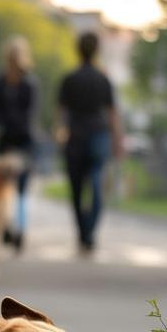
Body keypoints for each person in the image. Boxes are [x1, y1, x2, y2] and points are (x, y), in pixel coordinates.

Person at [57, 32, 124, 253]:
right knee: (96, 184)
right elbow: (112, 114)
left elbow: (60, 114)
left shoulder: (69, 79)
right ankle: (90, 231)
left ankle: (82, 232)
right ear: (96, 51)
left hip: (75, 137)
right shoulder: (103, 79)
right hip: (98, 137)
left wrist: (60, 135)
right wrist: (117, 141)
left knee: (76, 190)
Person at [0, 36, 38, 253]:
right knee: (4, 187)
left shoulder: (28, 84)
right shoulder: (0, 82)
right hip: (7, 142)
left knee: (19, 189)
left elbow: (26, 115)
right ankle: (6, 227)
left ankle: (18, 230)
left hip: (20, 142)